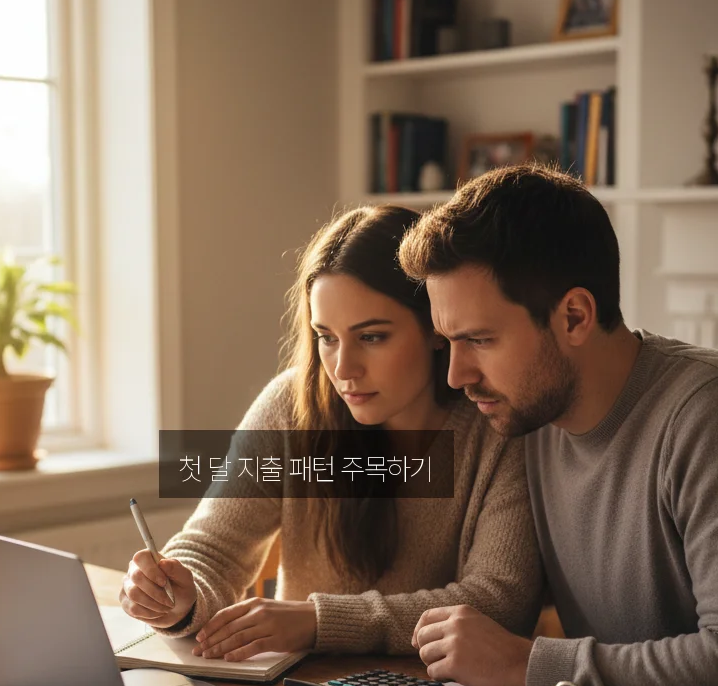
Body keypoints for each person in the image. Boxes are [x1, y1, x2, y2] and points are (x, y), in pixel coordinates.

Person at [399, 163, 718, 686]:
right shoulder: (530, 417)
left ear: (574, 316)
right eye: (449, 341)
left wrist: (531, 664)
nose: (455, 374)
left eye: (479, 339)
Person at [118, 205, 542, 661]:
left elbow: (499, 602)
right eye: (327, 336)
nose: (343, 369)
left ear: (435, 327)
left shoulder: (497, 424)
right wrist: (175, 596)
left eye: (373, 337)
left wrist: (319, 622)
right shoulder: (291, 405)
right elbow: (211, 549)